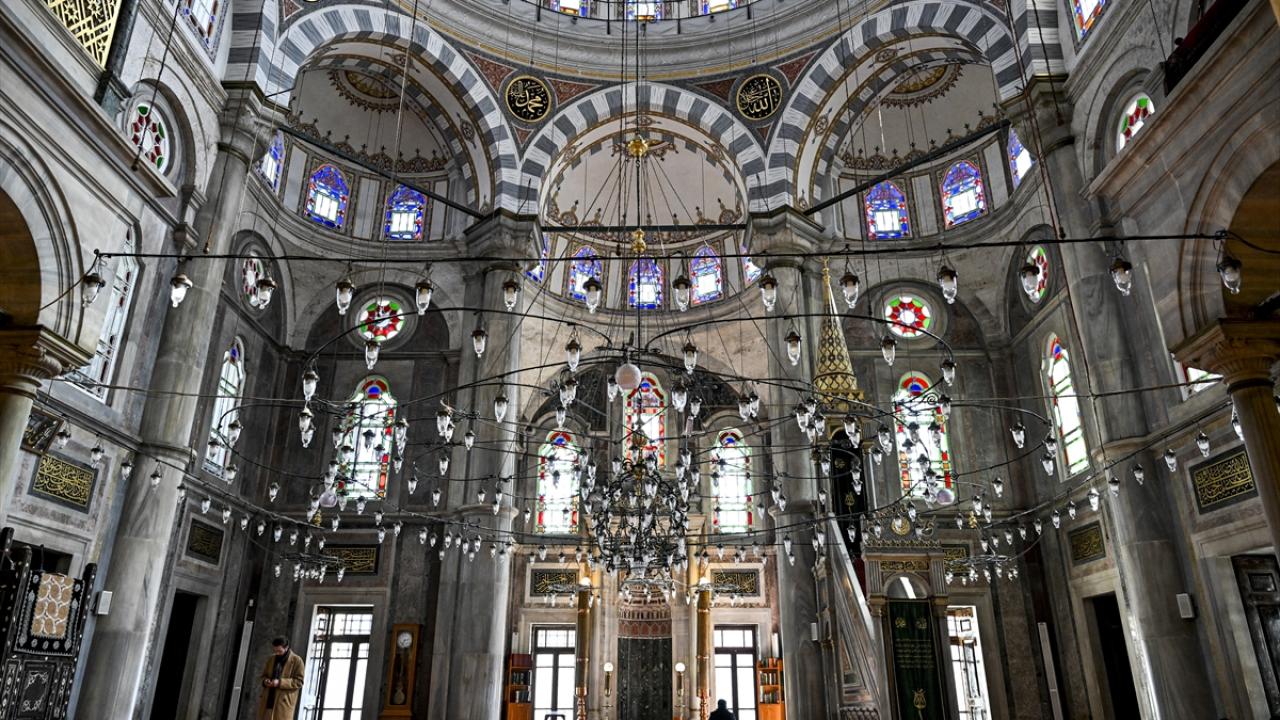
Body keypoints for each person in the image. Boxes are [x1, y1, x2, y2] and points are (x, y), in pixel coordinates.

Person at [256, 637, 305, 720]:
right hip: (267, 701)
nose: (277, 653)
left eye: (279, 651)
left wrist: (279, 683)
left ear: (286, 648)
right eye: (275, 651)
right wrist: (265, 681)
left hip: (283, 703)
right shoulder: (271, 659)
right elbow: (264, 676)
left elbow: (299, 681)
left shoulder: (297, 660)